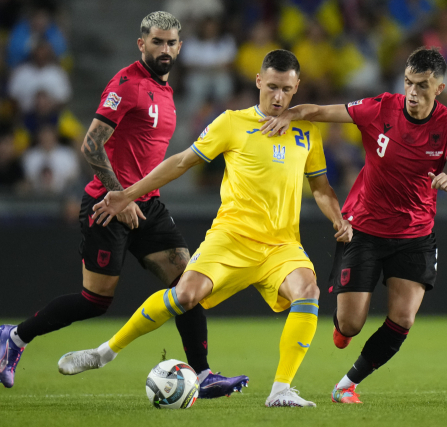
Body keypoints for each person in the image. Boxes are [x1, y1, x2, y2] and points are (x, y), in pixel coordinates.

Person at [57, 49, 353, 407]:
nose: (278, 97)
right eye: (272, 87)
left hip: (281, 245)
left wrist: (337, 217)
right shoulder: (232, 122)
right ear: (258, 81)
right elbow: (182, 162)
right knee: (185, 296)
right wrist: (126, 195)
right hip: (230, 238)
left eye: (287, 90)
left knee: (308, 290)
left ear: (297, 87)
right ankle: (104, 353)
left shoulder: (307, 131)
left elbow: (321, 188)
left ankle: (281, 390)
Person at [0, 11, 248, 398]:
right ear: (141, 43)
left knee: (188, 283)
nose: (164, 49)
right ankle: (15, 336)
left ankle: (204, 373)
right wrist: (120, 195)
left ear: (180, 46)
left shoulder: (165, 89)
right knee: (94, 301)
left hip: (148, 205)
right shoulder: (126, 84)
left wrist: (135, 196)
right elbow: (91, 144)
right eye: (157, 42)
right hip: (107, 205)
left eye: (171, 43)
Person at [259, 47, 447, 404]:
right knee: (351, 325)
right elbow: (321, 111)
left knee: (403, 318)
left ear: (440, 89)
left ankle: (346, 384)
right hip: (365, 229)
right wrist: (290, 115)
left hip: (414, 235)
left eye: (422, 85)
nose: (413, 92)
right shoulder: (382, 108)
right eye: (408, 82)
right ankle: (342, 330)